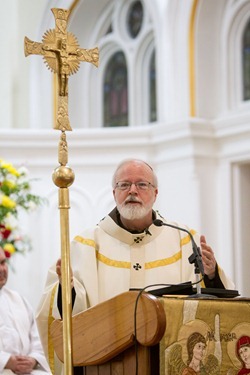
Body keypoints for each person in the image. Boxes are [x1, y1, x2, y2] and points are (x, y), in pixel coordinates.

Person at [36, 158, 235, 374]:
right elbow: (64, 318)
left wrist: (212, 274)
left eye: (142, 184)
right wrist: (68, 289)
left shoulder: (184, 240)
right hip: (108, 363)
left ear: (155, 193)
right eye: (124, 185)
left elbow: (213, 302)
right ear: (114, 193)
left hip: (165, 362)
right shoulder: (85, 245)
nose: (133, 191)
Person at [0, 247, 51, 374]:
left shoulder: (18, 299)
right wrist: (6, 361)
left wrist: (33, 359)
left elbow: (38, 339)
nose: (2, 269)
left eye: (3, 263)